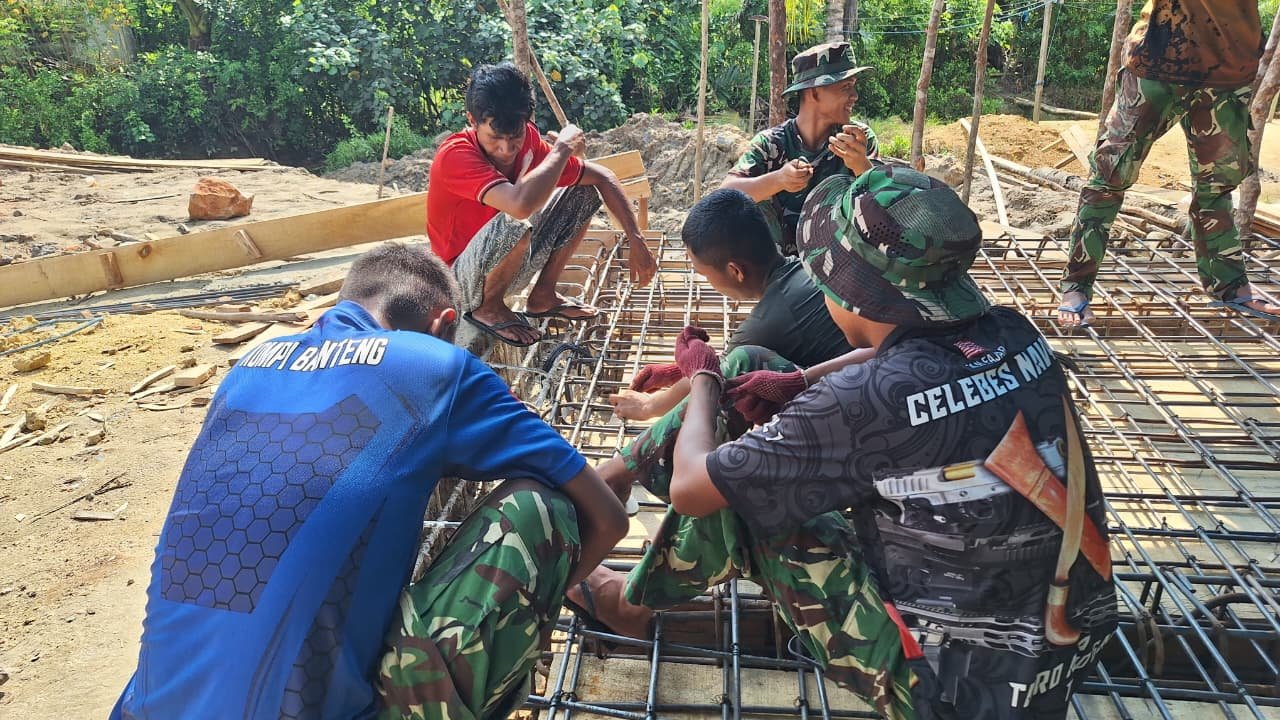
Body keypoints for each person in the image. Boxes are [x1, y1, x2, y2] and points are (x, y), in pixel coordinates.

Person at [576, 167, 1118, 719]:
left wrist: (704, 379)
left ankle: (628, 606)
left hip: (953, 694)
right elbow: (892, 357)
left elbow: (692, 489)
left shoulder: (865, 400)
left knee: (743, 498)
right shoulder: (1014, 331)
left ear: (855, 294)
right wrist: (799, 380)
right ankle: (614, 477)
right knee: (753, 364)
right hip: (1072, 642)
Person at [111, 243, 628, 720]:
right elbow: (608, 517)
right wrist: (541, 604)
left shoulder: (248, 367)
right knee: (542, 508)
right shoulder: (436, 366)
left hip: (144, 707)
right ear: (445, 324)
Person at [1058, 0, 1280, 327]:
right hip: (1156, 63)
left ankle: (1229, 287)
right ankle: (1076, 287)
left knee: (1217, 188)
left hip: (1229, 71)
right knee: (1109, 176)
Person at [427, 62, 657, 346]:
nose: (506, 149)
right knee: (515, 220)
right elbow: (519, 206)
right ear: (472, 121)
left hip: (509, 265)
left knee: (583, 192)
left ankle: (543, 295)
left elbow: (603, 177)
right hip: (459, 282)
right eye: (494, 138)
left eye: (515, 136)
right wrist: (562, 149)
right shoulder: (455, 155)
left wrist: (636, 239)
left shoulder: (530, 143)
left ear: (527, 122)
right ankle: (489, 309)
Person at [606, 187, 852, 423]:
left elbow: (713, 379)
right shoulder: (804, 268)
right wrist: (675, 372)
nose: (707, 282)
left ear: (735, 271)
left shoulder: (767, 323)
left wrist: (650, 406)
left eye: (704, 274)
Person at [722, 40, 880, 255]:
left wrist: (861, 166)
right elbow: (725, 196)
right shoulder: (771, 144)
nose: (855, 96)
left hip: (841, 267)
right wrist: (778, 180)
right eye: (846, 87)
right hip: (780, 269)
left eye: (853, 86)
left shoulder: (857, 139)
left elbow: (882, 206)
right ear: (814, 93)